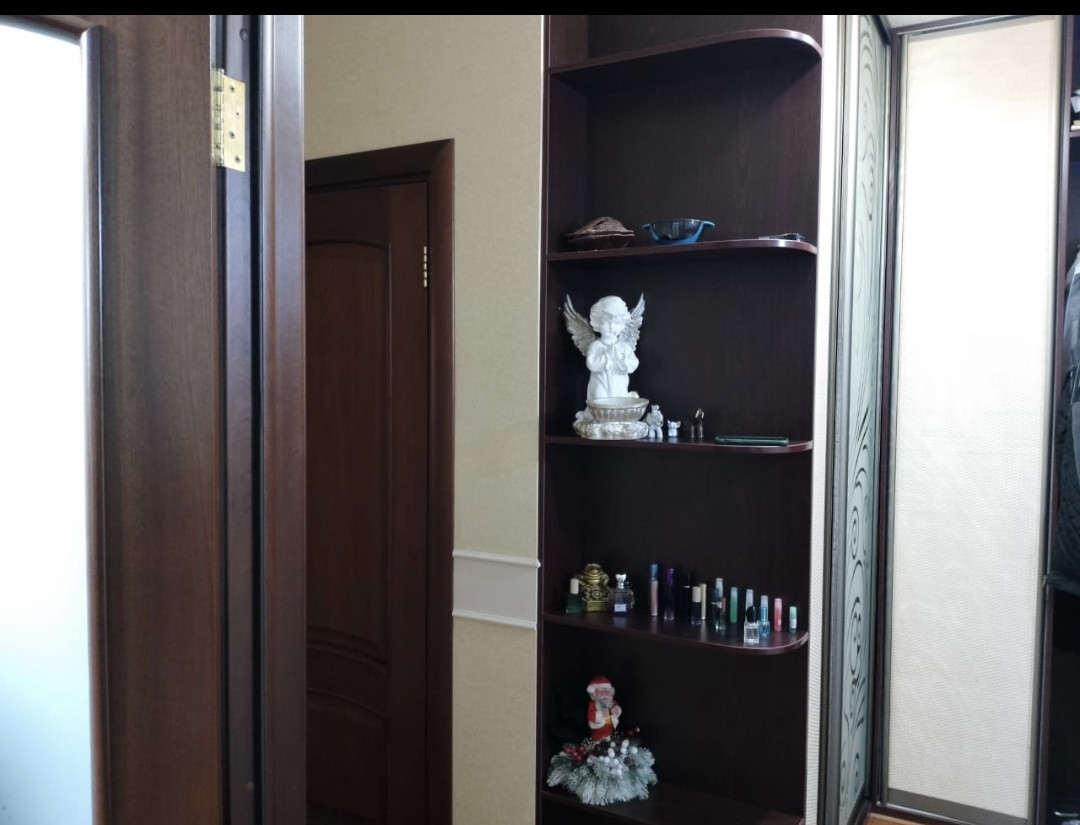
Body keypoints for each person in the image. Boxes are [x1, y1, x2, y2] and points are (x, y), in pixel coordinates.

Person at [585, 675, 622, 741]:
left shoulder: (612, 703)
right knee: (597, 739)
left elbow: (617, 708)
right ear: (594, 694)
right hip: (598, 731)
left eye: (607, 692)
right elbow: (591, 716)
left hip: (610, 729)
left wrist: (617, 710)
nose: (604, 694)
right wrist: (601, 714)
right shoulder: (593, 705)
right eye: (601, 692)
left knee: (612, 737)